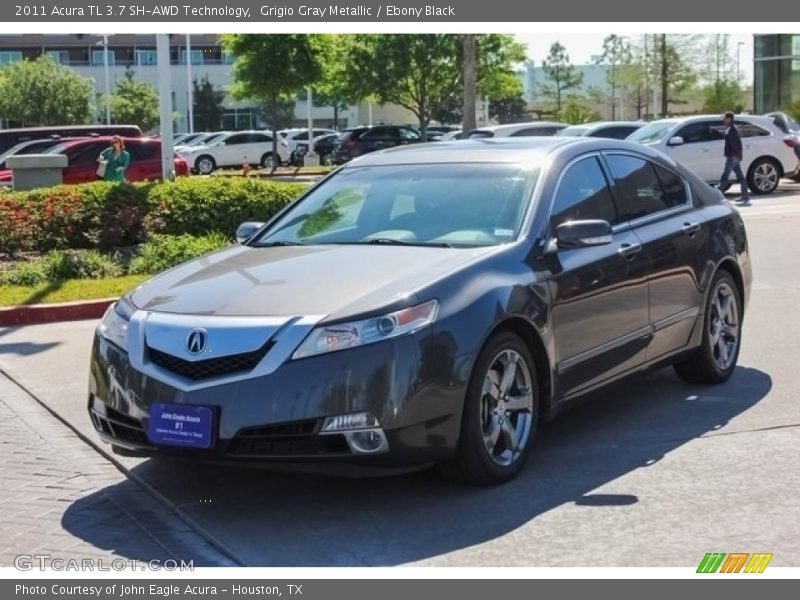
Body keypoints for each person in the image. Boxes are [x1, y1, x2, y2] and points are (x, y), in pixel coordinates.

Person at [717, 111, 750, 205]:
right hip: (733, 156)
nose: (723, 120)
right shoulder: (730, 128)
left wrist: (736, 156)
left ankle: (716, 196)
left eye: (725, 118)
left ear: (729, 119)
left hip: (732, 157)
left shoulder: (732, 129)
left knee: (725, 175)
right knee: (740, 176)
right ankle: (745, 196)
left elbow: (736, 144)